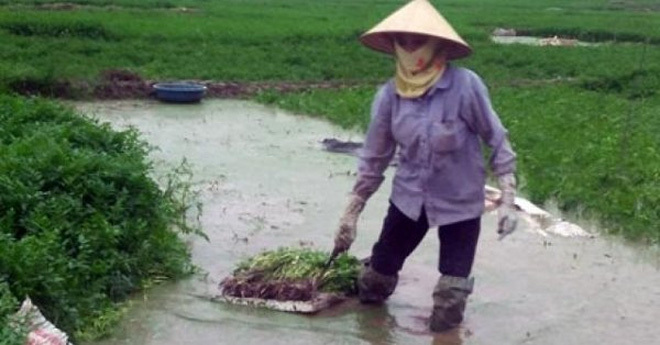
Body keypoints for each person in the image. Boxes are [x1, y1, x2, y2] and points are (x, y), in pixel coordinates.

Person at [332, 0, 518, 332]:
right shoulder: (390, 96)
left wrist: (507, 198)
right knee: (374, 283)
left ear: (437, 45)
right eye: (402, 41)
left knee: (451, 297)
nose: (409, 49)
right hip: (409, 199)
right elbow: (375, 157)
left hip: (460, 203)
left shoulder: (465, 86)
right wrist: (352, 210)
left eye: (418, 41)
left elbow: (496, 137)